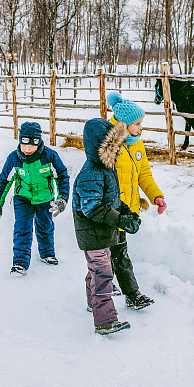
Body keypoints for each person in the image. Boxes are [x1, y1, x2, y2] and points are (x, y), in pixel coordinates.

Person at [72, 118, 140, 335]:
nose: (120, 148)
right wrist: (119, 220)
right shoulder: (91, 173)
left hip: (100, 232)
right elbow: (92, 208)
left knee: (97, 271)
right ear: (103, 147)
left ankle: (94, 302)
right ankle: (105, 320)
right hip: (92, 233)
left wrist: (127, 212)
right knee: (102, 273)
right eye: (115, 145)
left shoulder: (105, 167)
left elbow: (111, 199)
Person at [105, 92, 166, 310]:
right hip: (109, 211)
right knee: (105, 254)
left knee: (119, 251)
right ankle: (101, 293)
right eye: (138, 124)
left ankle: (130, 294)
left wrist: (156, 196)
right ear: (125, 123)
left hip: (128, 211)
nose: (141, 128)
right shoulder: (109, 145)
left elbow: (144, 175)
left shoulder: (137, 145)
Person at [0, 122, 70, 276]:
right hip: (23, 199)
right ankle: (20, 262)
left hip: (45, 199)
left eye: (32, 145)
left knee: (45, 226)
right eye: (24, 144)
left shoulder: (49, 156)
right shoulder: (15, 158)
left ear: (38, 143)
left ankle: (47, 253)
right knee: (22, 229)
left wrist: (63, 198)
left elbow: (61, 176)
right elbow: (5, 180)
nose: (27, 149)